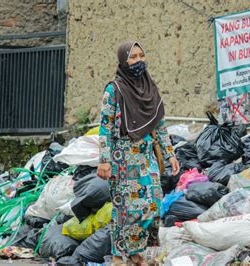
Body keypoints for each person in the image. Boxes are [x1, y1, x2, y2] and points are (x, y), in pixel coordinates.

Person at [97, 41, 180, 265]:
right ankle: (120, 255)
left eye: (141, 55)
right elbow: (104, 127)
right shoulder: (114, 89)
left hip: (146, 154)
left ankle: (135, 251)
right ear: (123, 61)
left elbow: (159, 125)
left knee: (153, 204)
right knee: (127, 208)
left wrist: (169, 153)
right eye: (132, 57)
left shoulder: (150, 88)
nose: (138, 61)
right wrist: (104, 161)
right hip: (122, 155)